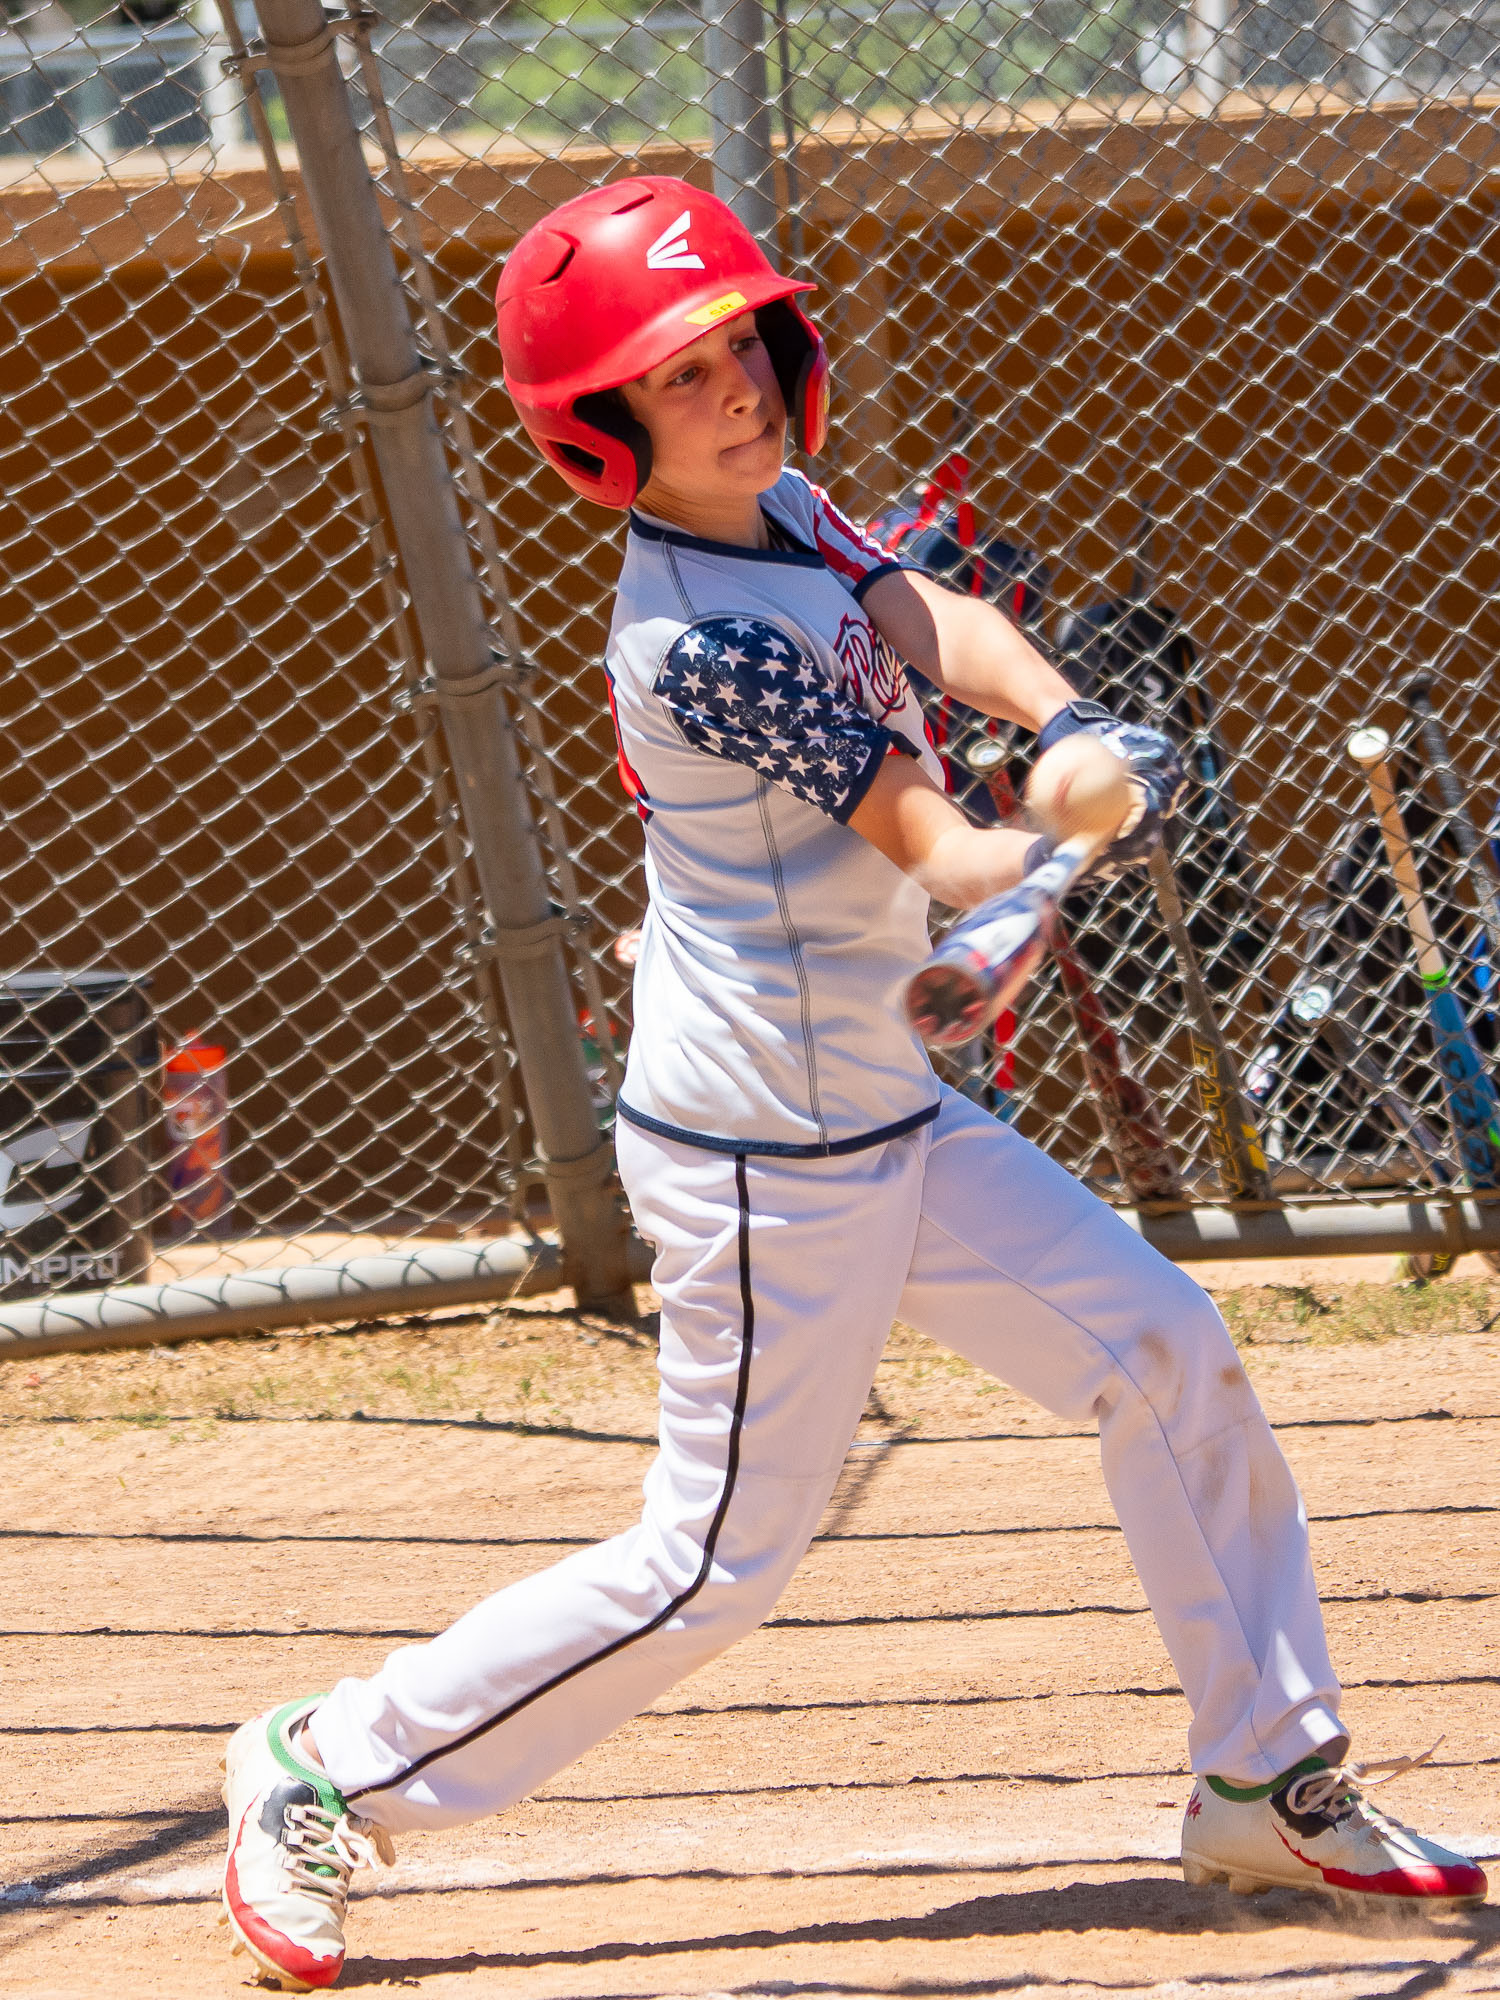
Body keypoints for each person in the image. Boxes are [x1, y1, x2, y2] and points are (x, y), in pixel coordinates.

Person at [218, 176, 1485, 1992]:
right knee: (717, 1559)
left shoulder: (780, 511)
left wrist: (1066, 723)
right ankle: (327, 1763)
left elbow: (925, 615)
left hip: (882, 1097)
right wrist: (1052, 832)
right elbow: (938, 852)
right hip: (762, 1150)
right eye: (679, 373)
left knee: (1162, 1348)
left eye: (741, 344)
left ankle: (1267, 1780)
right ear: (606, 425)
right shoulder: (696, 640)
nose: (734, 387)